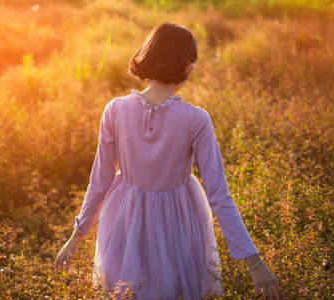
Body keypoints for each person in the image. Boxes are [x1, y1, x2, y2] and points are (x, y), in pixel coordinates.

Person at [55, 23, 282, 299]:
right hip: (179, 222)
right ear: (187, 66)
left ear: (148, 54)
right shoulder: (196, 119)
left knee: (127, 292)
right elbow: (219, 195)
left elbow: (99, 182)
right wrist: (254, 262)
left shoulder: (115, 109)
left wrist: (75, 237)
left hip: (124, 219)